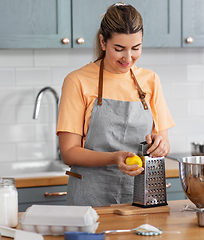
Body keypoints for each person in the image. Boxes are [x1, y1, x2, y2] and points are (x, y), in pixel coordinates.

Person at [56, 3, 175, 207]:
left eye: (135, 48)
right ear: (103, 42)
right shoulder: (77, 81)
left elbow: (164, 143)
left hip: (140, 199)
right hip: (90, 200)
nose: (128, 58)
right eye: (119, 49)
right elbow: (69, 152)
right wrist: (115, 158)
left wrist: (160, 146)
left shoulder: (150, 80)